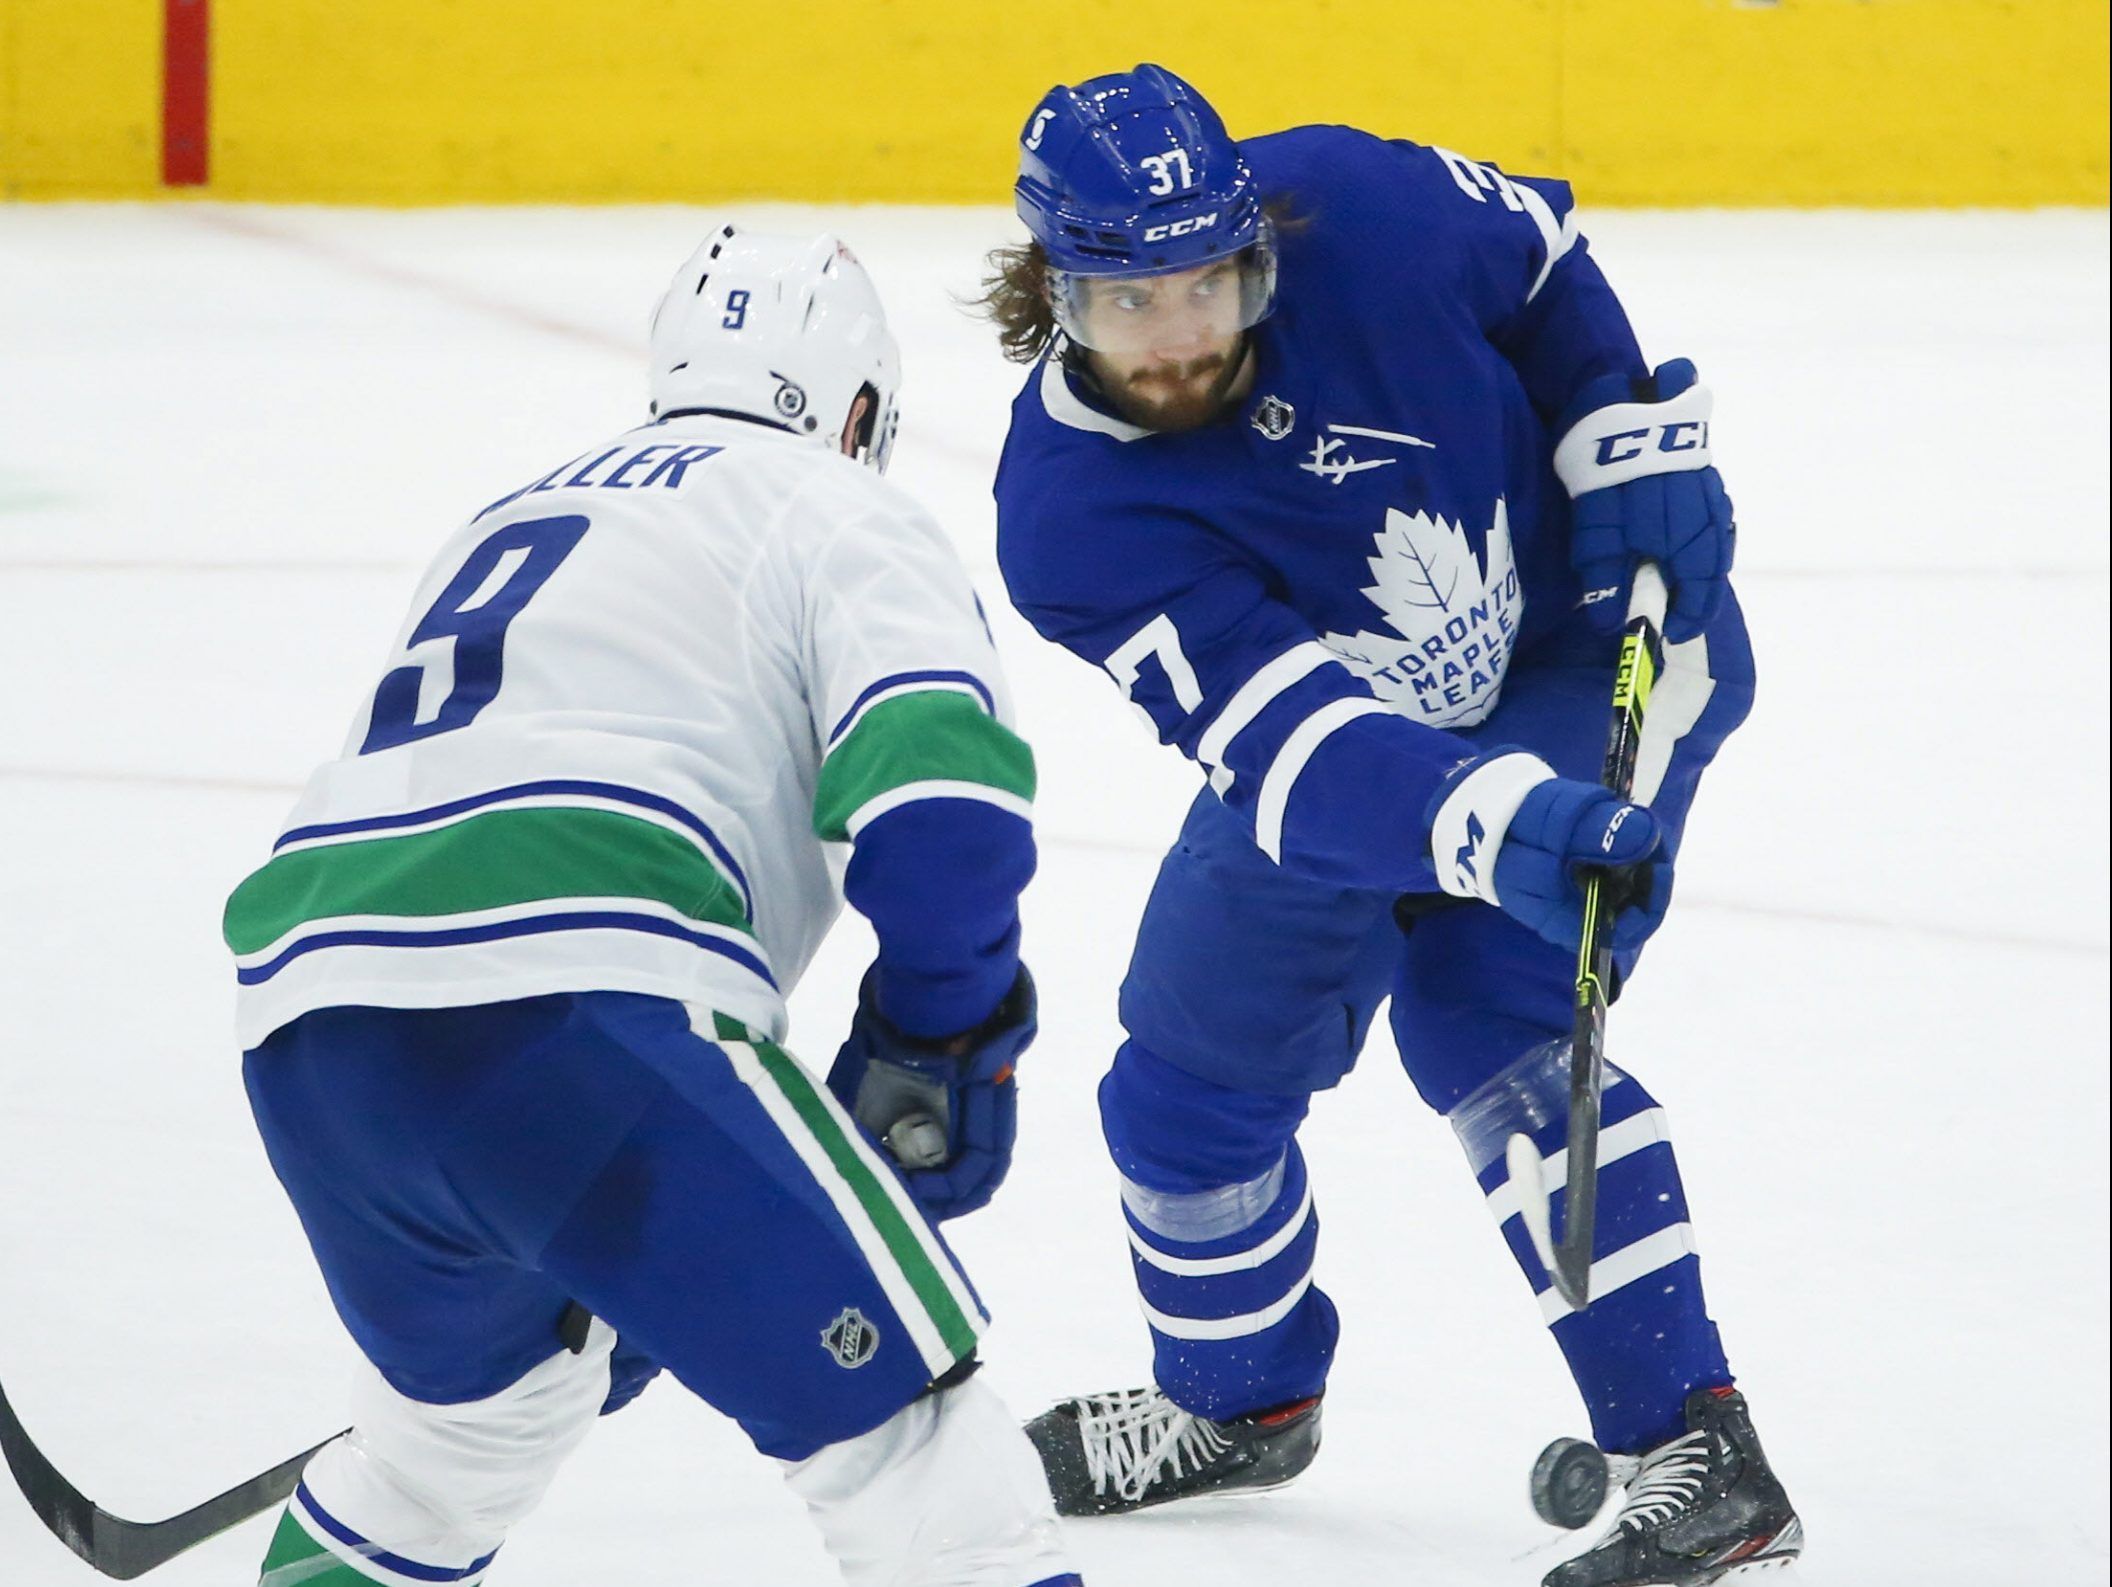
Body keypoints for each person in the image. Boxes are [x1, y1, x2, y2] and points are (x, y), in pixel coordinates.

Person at [980, 64, 1801, 1587]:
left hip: (1588, 649)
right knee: (1180, 1089)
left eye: (1210, 287)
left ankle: (1695, 1446)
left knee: (1487, 1010)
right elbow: (1292, 749)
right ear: (1052, 291)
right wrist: (1497, 822)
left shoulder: (1364, 201)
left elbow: (1545, 269)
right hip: (1357, 763)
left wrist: (1625, 432)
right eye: (1126, 307)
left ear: (1257, 248)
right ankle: (1239, 1406)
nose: (1181, 345)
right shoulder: (1070, 515)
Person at [228, 226, 1080, 1587]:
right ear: (861, 410)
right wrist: (944, 1039)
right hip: (574, 1012)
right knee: (914, 1454)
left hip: (315, 1030)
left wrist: (581, 1223)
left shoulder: (511, 511)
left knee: (444, 1459)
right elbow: (942, 821)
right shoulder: (837, 504)